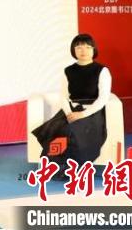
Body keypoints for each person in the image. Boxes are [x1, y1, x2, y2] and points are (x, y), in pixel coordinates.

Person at [32, 34, 111, 174]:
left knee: (71, 131)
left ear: (94, 50)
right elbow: (63, 95)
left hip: (92, 113)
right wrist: (69, 113)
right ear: (73, 50)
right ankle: (55, 167)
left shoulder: (102, 70)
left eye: (88, 47)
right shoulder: (68, 71)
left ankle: (73, 169)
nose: (83, 50)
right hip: (71, 110)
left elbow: (103, 98)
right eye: (79, 47)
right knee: (53, 129)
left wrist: (82, 114)